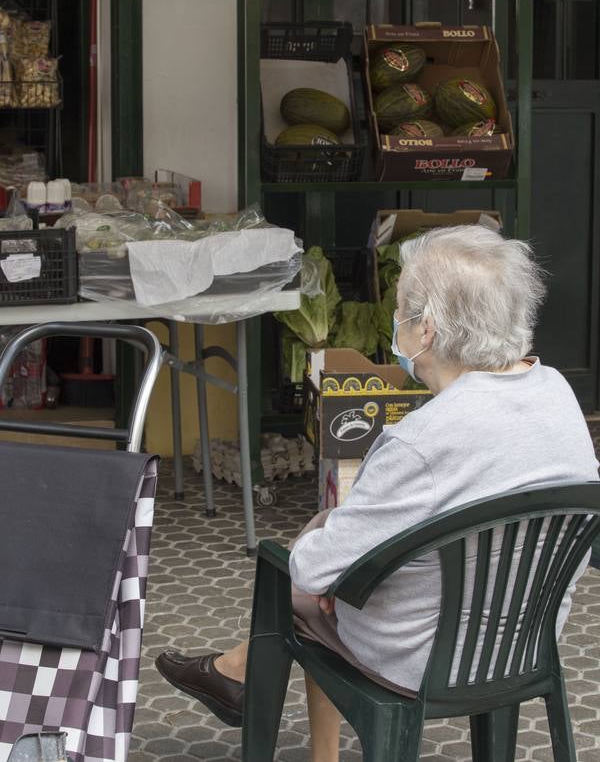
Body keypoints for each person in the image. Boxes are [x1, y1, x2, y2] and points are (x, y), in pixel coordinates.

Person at [156, 225, 598, 762]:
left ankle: (238, 679)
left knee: (297, 572)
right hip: (528, 644)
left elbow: (312, 573)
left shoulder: (420, 441)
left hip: (423, 657)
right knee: (334, 541)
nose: (397, 323)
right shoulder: (556, 392)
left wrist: (322, 558)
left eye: (402, 310)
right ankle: (233, 675)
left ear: (428, 330)